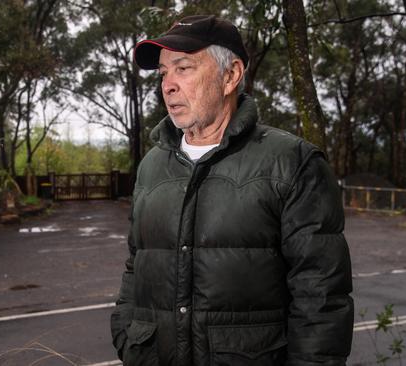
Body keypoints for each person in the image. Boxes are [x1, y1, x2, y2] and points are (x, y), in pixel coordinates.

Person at [110, 15, 354, 366]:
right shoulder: (151, 166)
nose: (168, 85)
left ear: (230, 75)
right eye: (164, 73)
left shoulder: (292, 163)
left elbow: (321, 299)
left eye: (184, 68)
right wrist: (127, 337)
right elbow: (137, 264)